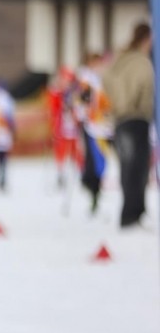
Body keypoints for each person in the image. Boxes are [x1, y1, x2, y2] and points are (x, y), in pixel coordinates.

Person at [103, 22, 155, 228]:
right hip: (137, 118)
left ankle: (129, 214)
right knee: (138, 168)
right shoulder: (142, 62)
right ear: (146, 39)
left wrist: (115, 104)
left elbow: (105, 80)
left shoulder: (118, 60)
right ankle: (134, 215)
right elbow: (144, 87)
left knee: (126, 167)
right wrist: (137, 104)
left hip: (120, 119)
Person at [74, 52, 112, 213]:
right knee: (94, 157)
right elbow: (81, 99)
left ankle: (95, 184)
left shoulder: (103, 78)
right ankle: (91, 185)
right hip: (92, 125)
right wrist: (82, 109)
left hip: (105, 125)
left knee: (101, 159)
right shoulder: (87, 79)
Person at [45, 66, 82, 189]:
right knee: (61, 151)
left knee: (76, 151)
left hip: (74, 128)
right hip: (62, 128)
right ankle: (61, 175)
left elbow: (79, 107)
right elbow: (53, 109)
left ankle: (79, 174)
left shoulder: (75, 92)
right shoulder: (57, 93)